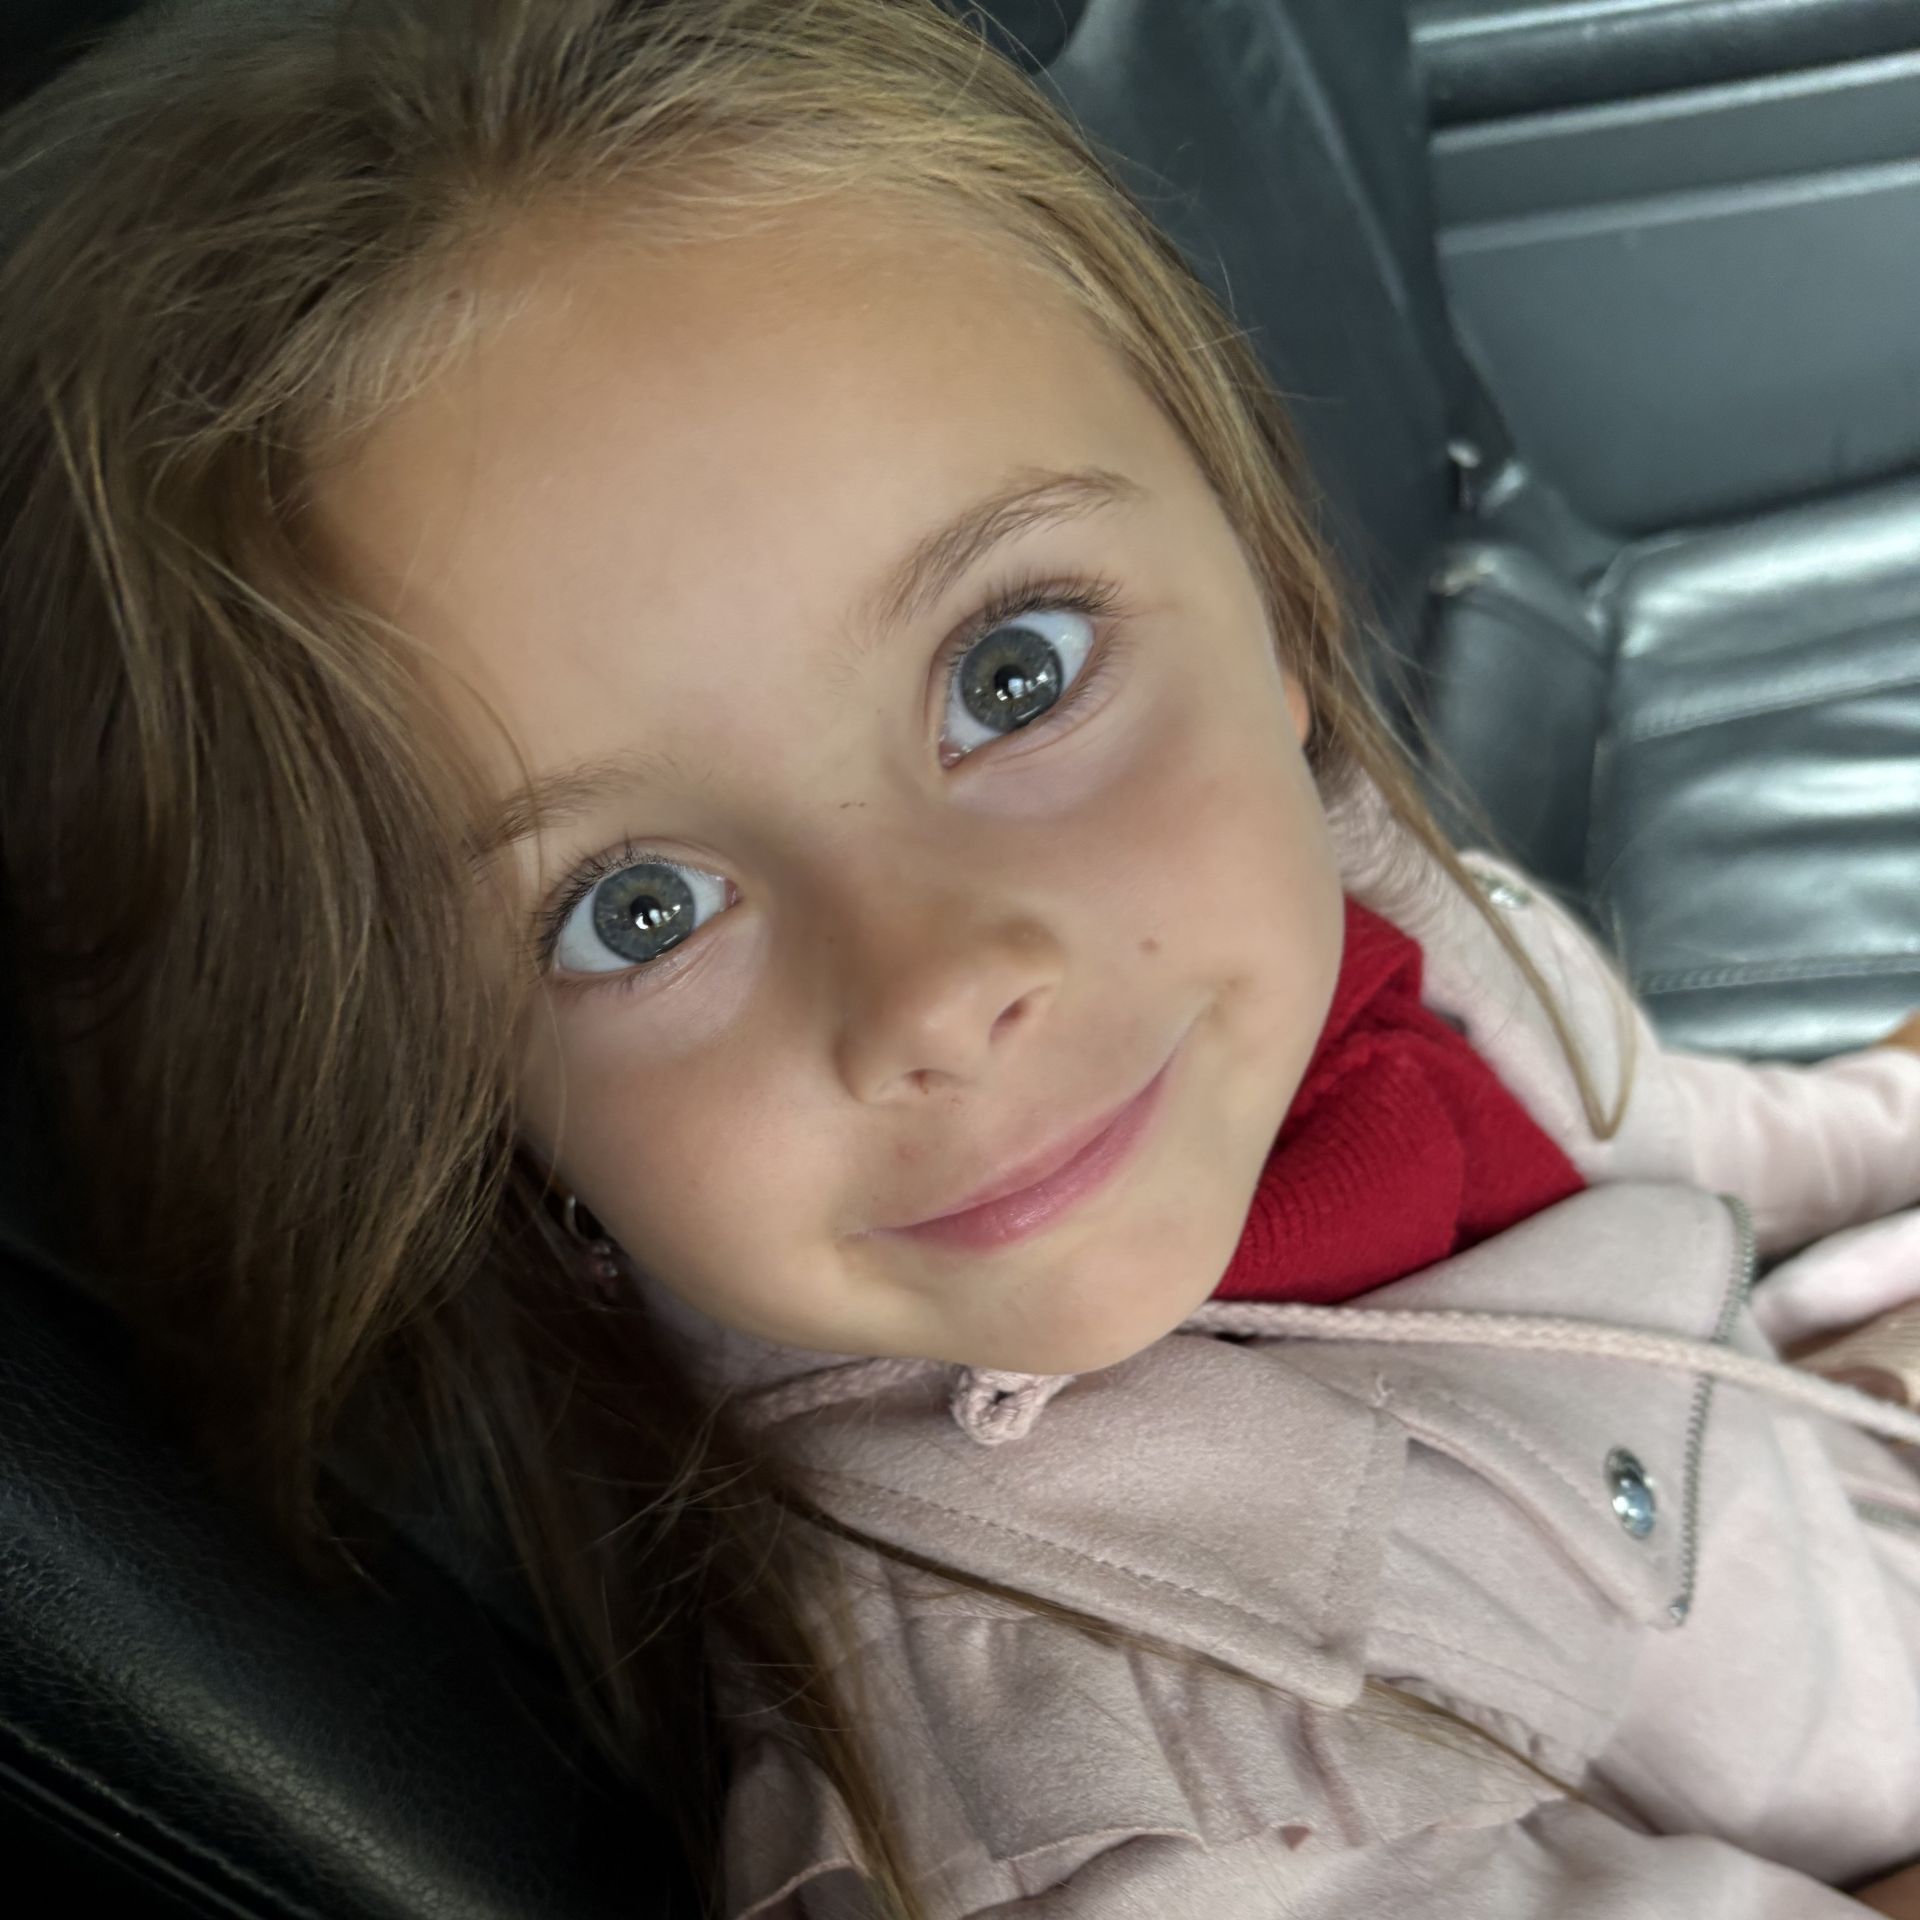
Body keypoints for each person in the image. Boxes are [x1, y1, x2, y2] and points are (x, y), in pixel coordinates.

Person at [2, 2, 1919, 1915]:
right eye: (636, 907)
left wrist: (1882, 1109)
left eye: (1014, 676)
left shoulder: (1327, 897)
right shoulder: (1141, 1813)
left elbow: (1639, 1120)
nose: (935, 984)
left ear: (1269, 610)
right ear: (462, 1087)